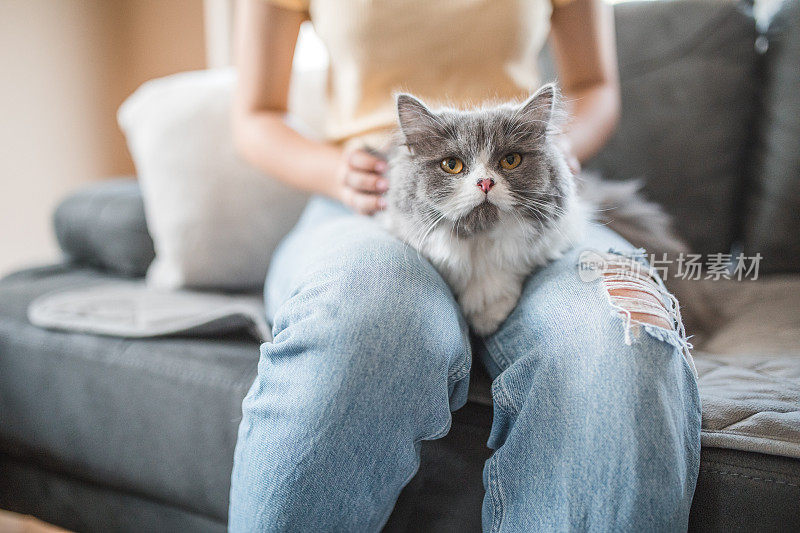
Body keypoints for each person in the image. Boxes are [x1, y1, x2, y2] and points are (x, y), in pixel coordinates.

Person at [228, 0, 701, 531]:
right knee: (366, 315)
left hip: (526, 195)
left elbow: (594, 85)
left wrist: (552, 149)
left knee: (621, 338)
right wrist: (337, 171)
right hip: (368, 201)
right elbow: (255, 115)